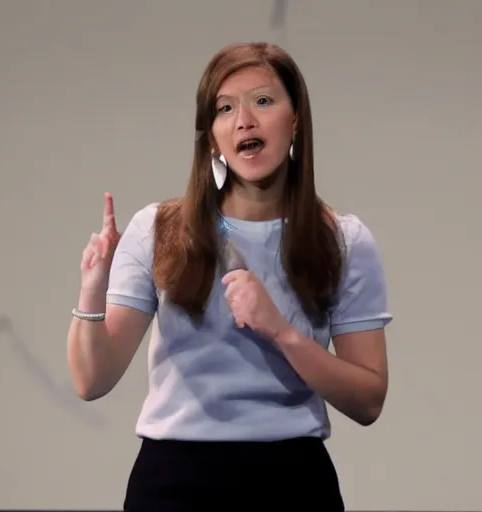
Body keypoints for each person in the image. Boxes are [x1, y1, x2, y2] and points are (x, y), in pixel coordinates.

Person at [67, 42, 392, 511]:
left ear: (295, 118)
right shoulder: (159, 230)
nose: (244, 120)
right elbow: (92, 380)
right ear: (212, 136)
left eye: (263, 101)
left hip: (293, 481)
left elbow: (368, 401)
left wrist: (282, 332)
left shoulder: (342, 240)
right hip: (173, 480)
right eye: (225, 108)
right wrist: (92, 288)